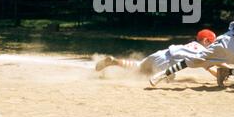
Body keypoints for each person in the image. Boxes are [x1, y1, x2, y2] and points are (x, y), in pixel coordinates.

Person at [95, 29, 223, 78]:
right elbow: (210, 67)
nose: (213, 45)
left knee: (139, 67)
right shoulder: (202, 51)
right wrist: (221, 75)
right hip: (166, 62)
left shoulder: (190, 44)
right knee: (169, 79)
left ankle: (114, 62)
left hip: (160, 53)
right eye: (212, 42)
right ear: (206, 41)